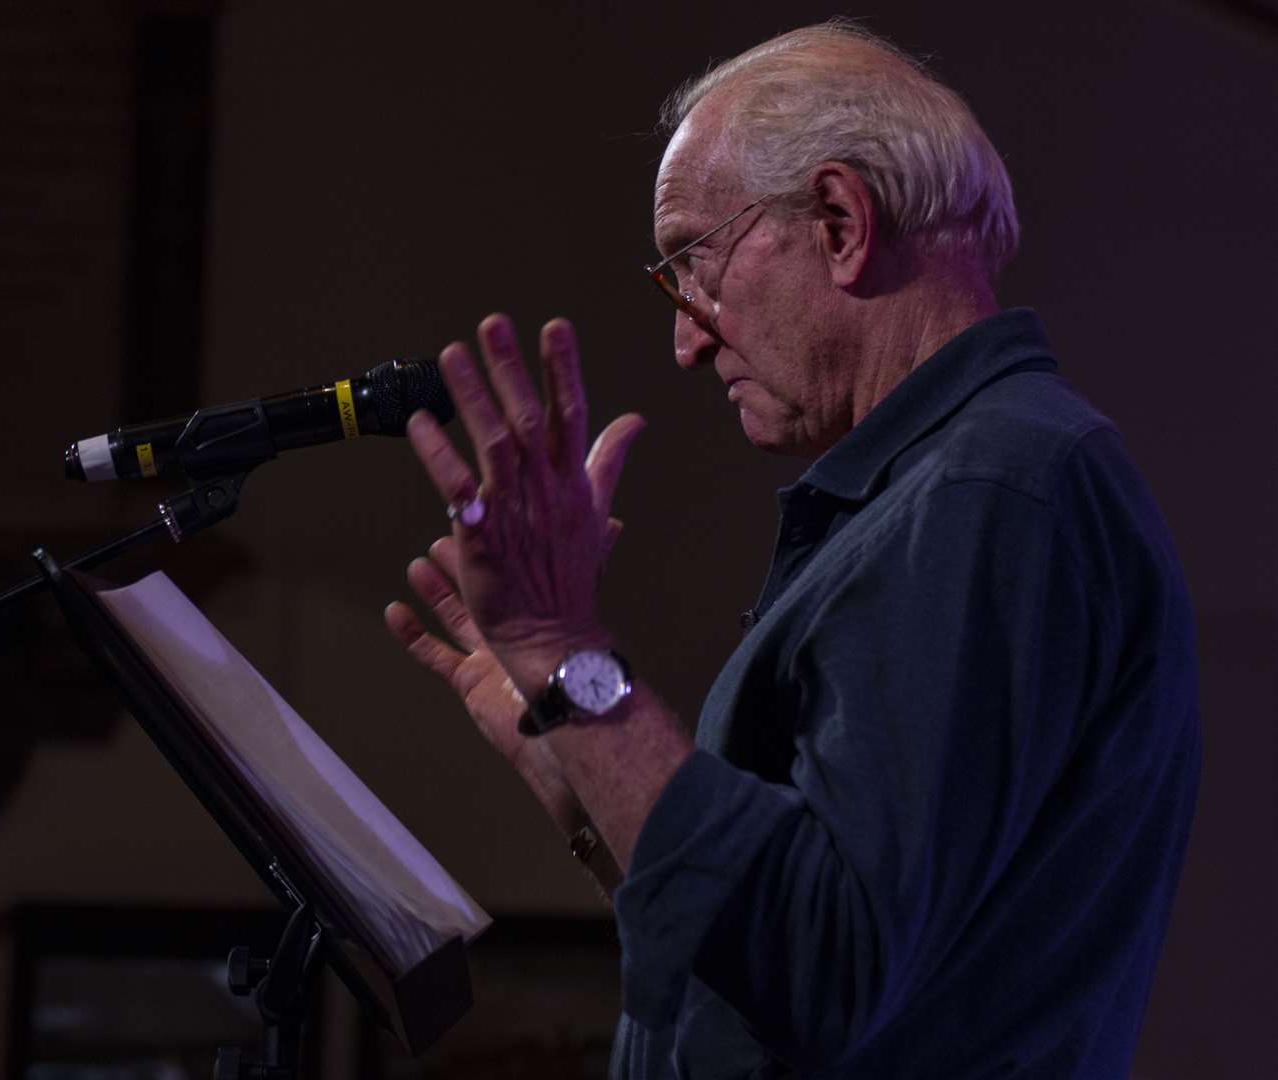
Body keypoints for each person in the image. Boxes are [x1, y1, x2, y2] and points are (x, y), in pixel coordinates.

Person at [383, 21, 1199, 1080]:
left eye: (690, 260)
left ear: (838, 219)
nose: (685, 339)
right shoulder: (954, 492)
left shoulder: (995, 490)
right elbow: (763, 978)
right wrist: (580, 773)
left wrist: (561, 644)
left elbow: (825, 972)